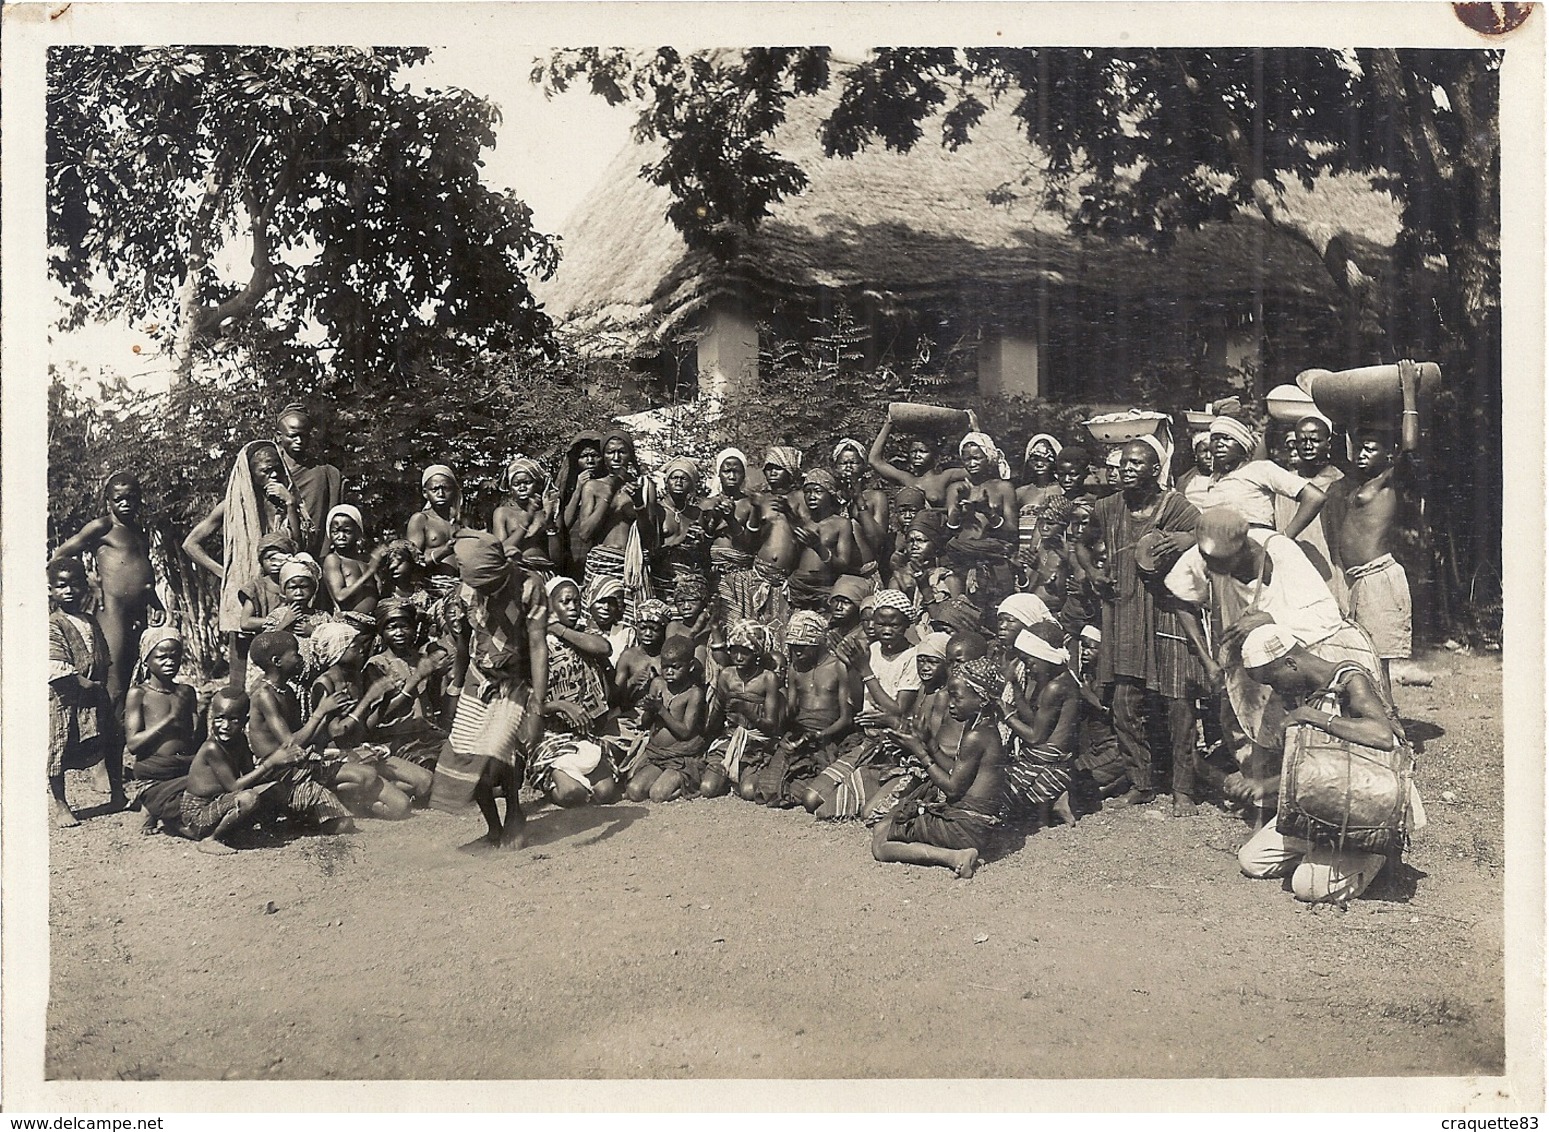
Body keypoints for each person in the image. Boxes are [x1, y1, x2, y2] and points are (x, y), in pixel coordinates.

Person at [1165, 507, 1385, 809]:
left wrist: (1271, 618)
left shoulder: (1280, 552)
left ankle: (1309, 790)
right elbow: (1180, 598)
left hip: (1299, 650)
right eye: (1208, 561)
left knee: (1306, 725)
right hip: (1248, 658)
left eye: (1220, 562)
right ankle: (1265, 795)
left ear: (1242, 548)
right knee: (1243, 723)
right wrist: (1207, 660)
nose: (1211, 567)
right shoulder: (1205, 554)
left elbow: (1326, 615)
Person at [1234, 624, 1422, 905]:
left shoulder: (1349, 679)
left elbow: (1383, 735)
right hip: (1325, 802)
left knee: (1307, 887)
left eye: (1273, 680)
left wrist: (1314, 716)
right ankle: (1325, 852)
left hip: (1366, 807)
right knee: (1252, 860)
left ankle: (1378, 854)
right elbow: (1317, 769)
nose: (1275, 689)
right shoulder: (1303, 691)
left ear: (1290, 663)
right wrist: (1264, 786)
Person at [1077, 438, 1204, 814]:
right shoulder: (1107, 507)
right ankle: (1141, 782)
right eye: (1125, 463)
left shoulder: (1176, 505)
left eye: (1138, 463)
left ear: (1154, 470)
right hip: (1125, 613)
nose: (1129, 469)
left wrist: (1186, 538)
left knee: (1178, 703)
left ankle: (1183, 789)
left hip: (1168, 612)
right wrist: (1092, 571)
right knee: (1124, 703)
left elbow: (1210, 535)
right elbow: (1081, 544)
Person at [428, 530, 548, 850]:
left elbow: (537, 645)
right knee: (467, 761)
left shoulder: (528, 587)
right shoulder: (465, 590)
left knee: (497, 756)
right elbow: (463, 644)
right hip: (478, 679)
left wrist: (537, 702)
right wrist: (455, 687)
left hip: (515, 682)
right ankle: (494, 828)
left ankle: (515, 813)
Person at [870, 656, 1010, 879]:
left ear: (982, 700)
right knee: (883, 826)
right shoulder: (981, 726)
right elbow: (958, 771)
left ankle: (953, 857)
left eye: (957, 697)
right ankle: (957, 852)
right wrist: (929, 743)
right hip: (973, 824)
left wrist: (919, 751)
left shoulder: (976, 735)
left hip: (966, 827)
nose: (950, 704)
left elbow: (952, 788)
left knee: (881, 843)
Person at [183, 439, 304, 685]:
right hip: (247, 594)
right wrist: (224, 574)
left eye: (276, 469)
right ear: (251, 472)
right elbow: (190, 544)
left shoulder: (287, 504)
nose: (272, 475)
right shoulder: (232, 507)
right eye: (265, 470)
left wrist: (291, 504)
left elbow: (300, 545)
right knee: (241, 669)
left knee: (283, 664)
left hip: (282, 592)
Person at [51, 471, 167, 719]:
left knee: (133, 672)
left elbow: (141, 567)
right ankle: (109, 743)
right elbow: (60, 555)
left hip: (138, 610)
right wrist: (91, 582)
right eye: (119, 499)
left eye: (131, 498)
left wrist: (155, 600)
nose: (125, 503)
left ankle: (125, 733)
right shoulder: (102, 527)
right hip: (113, 609)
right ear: (108, 502)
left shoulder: (138, 530)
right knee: (113, 677)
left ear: (139, 499)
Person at [1325, 427, 1416, 687]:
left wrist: (1409, 395)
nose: (1361, 454)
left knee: (1376, 661)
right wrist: (1339, 415)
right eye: (1360, 448)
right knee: (1360, 657)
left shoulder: (1388, 479)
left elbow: (1409, 448)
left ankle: (1389, 722)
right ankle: (1376, 720)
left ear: (1388, 455)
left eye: (1370, 448)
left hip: (1377, 577)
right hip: (1356, 580)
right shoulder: (1358, 481)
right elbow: (1336, 452)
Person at [244, 630, 357, 834]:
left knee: (364, 776)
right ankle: (290, 806)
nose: (300, 659)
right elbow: (291, 744)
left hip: (298, 765)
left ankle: (309, 800)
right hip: (279, 773)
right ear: (277, 661)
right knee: (343, 824)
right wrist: (321, 711)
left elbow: (303, 738)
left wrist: (328, 715)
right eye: (295, 654)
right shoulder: (264, 695)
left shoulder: (286, 691)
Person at [308, 621, 420, 817]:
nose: (361, 650)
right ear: (337, 650)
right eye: (354, 646)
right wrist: (368, 697)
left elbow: (366, 726)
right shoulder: (324, 684)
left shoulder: (355, 678)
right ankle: (353, 797)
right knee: (401, 807)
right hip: (337, 755)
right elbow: (336, 732)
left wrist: (384, 698)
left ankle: (367, 791)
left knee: (425, 782)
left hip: (361, 750)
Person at [528, 577, 621, 808]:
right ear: (550, 606)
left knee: (606, 793)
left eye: (577, 602)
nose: (573, 607)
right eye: (565, 602)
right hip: (551, 736)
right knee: (572, 795)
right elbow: (529, 703)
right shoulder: (538, 644)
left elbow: (604, 648)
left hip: (584, 735)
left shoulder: (581, 635)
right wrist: (562, 705)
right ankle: (553, 782)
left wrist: (557, 628)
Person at [752, 610, 855, 807]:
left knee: (804, 791)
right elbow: (791, 711)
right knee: (765, 791)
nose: (797, 653)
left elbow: (846, 718)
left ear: (819, 644)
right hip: (800, 736)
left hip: (829, 737)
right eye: (793, 648)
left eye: (803, 648)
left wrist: (819, 735)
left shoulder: (838, 667)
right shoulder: (795, 669)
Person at [181, 689, 297, 855]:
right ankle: (211, 839)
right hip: (197, 814)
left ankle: (261, 829)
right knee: (248, 798)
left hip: (220, 803)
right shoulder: (212, 748)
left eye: (234, 720)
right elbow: (234, 786)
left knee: (275, 788)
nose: (225, 726)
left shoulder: (240, 740)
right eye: (219, 718)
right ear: (211, 718)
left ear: (245, 721)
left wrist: (279, 764)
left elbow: (250, 775)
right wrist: (271, 762)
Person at [48, 557, 116, 825]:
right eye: (62, 585)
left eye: (75, 584)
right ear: (52, 590)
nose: (69, 591)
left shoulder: (89, 620)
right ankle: (61, 805)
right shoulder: (54, 623)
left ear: (84, 587)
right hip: (66, 697)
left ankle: (118, 794)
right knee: (59, 748)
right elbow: (57, 666)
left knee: (111, 739)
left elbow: (103, 654)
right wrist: (87, 684)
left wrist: (100, 684)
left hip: (96, 694)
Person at [1189, 416, 1327, 537]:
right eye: (1214, 439)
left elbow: (1314, 497)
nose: (1219, 444)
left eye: (1227, 438)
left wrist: (1285, 537)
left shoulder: (1260, 469)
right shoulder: (1215, 480)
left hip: (1254, 551)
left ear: (1242, 444)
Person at [363, 598, 454, 773]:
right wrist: (416, 679)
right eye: (392, 627)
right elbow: (381, 713)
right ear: (382, 631)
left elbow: (431, 701)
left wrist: (436, 676)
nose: (399, 632)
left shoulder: (420, 659)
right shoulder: (377, 665)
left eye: (405, 626)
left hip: (426, 733)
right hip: (396, 738)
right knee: (436, 766)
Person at [1002, 629, 1081, 827]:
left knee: (1000, 793)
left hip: (1050, 763)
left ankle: (1052, 796)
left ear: (1043, 656)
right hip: (1053, 759)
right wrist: (1015, 687)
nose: (1028, 669)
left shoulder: (1055, 687)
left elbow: (1035, 736)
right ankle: (1052, 801)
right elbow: (1035, 721)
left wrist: (1007, 715)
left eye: (1030, 662)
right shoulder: (1061, 680)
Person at [122, 625, 199, 820]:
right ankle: (156, 803)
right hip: (156, 769)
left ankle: (159, 806)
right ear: (146, 661)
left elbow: (195, 738)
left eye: (175, 656)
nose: (170, 662)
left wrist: (206, 714)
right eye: (162, 657)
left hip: (185, 764)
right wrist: (170, 719)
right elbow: (133, 744)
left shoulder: (186, 692)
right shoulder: (139, 694)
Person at [574, 431, 652, 620]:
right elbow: (585, 533)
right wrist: (608, 494)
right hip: (601, 564)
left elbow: (650, 537)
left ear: (630, 455)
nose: (616, 457)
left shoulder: (644, 486)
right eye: (610, 452)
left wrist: (638, 503)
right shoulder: (593, 487)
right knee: (595, 621)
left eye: (622, 452)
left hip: (631, 566)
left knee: (630, 623)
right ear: (603, 456)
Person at [623, 634, 709, 802]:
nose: (669, 672)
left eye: (675, 667)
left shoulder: (693, 694)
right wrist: (649, 710)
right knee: (634, 791)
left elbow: (685, 732)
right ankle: (663, 779)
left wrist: (661, 710)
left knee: (658, 794)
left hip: (680, 757)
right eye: (665, 667)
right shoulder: (657, 684)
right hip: (657, 754)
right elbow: (645, 723)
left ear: (690, 666)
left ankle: (686, 784)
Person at [704, 619, 783, 800]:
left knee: (748, 791)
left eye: (744, 653)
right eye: (734, 652)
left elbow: (770, 725)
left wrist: (747, 711)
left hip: (756, 744)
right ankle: (727, 770)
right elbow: (717, 712)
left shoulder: (767, 678)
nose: (738, 658)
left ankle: (743, 772)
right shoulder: (727, 675)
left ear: (755, 653)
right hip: (729, 738)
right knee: (707, 788)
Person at [1277, 412, 1348, 609]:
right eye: (1302, 440)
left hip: (1329, 571)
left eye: (1315, 440)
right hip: (1292, 571)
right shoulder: (1284, 482)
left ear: (1329, 443)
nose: (1308, 446)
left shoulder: (1340, 483)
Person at [944, 431, 1019, 606]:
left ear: (989, 458)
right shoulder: (956, 488)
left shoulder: (1003, 488)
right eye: (967, 459)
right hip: (961, 561)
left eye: (977, 458)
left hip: (994, 563)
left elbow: (1012, 531)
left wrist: (989, 513)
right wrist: (956, 510)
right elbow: (949, 532)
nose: (972, 463)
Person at [272, 403, 344, 560]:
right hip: (272, 562)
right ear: (279, 436)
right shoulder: (268, 474)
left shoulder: (324, 474)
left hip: (314, 561)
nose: (299, 440)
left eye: (304, 436)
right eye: (293, 435)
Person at [702, 447, 761, 627]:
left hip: (741, 575)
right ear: (718, 473)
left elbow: (749, 545)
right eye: (727, 471)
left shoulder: (750, 505)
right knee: (717, 626)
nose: (732, 476)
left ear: (744, 475)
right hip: (715, 576)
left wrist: (731, 520)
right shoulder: (707, 503)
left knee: (740, 627)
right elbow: (702, 544)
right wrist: (713, 522)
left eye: (737, 471)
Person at [788, 469, 860, 612]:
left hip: (824, 589)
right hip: (798, 588)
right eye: (807, 492)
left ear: (830, 494)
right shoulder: (803, 522)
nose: (811, 496)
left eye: (817, 491)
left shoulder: (841, 523)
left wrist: (819, 547)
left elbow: (844, 564)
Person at [646, 455, 710, 602]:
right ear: (666, 481)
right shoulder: (657, 510)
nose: (678, 482)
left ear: (692, 485)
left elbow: (703, 553)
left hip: (690, 587)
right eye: (674, 477)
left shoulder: (697, 513)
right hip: (660, 582)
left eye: (684, 478)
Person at [867, 417, 968, 508]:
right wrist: (888, 423)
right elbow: (874, 460)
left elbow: (978, 467)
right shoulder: (907, 479)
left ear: (934, 455)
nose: (917, 455)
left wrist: (975, 429)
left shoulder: (945, 476)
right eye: (913, 451)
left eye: (923, 451)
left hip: (938, 526)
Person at [832, 438, 891, 580]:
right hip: (834, 574)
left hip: (866, 574)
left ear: (864, 467)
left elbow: (878, 541)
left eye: (854, 463)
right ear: (835, 468)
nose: (848, 467)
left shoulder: (876, 497)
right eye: (843, 463)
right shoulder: (829, 499)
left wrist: (859, 499)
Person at [493, 455, 561, 571]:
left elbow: (557, 560)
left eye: (527, 482)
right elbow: (501, 552)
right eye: (516, 484)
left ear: (538, 484)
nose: (522, 487)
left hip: (543, 571)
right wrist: (525, 524)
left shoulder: (548, 510)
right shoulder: (503, 513)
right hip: (515, 572)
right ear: (510, 488)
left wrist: (549, 522)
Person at [321, 504, 386, 615]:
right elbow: (340, 596)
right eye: (335, 531)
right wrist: (370, 571)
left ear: (358, 533)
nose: (341, 536)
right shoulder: (334, 559)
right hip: (349, 623)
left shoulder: (365, 560)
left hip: (373, 620)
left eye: (347, 531)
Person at [556, 431, 606, 571]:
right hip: (573, 556)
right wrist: (578, 489)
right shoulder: (567, 487)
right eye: (584, 456)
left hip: (601, 555)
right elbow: (564, 523)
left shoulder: (610, 485)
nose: (590, 460)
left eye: (595, 456)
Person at [407, 465, 464, 580]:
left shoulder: (460, 522)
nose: (441, 494)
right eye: (435, 489)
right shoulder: (421, 520)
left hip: (462, 587)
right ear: (425, 493)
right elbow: (412, 563)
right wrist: (444, 552)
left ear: (454, 490)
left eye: (446, 488)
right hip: (433, 588)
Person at [1017, 433, 1066, 513]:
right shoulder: (1020, 493)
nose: (1039, 464)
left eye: (1045, 459)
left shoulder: (1063, 490)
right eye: (1035, 460)